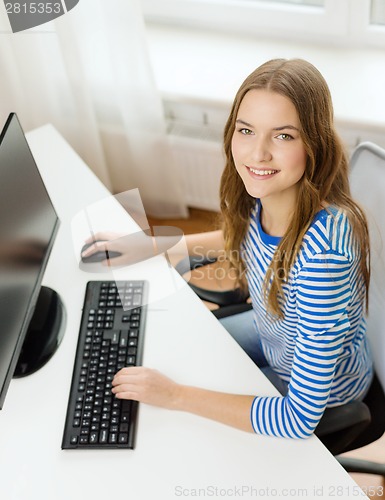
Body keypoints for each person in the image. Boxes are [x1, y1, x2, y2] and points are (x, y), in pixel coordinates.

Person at [86, 58, 373, 439]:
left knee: (185, 423)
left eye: (283, 136)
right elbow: (245, 238)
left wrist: (176, 396)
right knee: (175, 351)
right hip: (276, 335)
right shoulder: (275, 193)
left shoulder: (323, 261)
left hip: (323, 394)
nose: (257, 154)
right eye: (247, 130)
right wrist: (152, 245)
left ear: (314, 145)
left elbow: (297, 420)